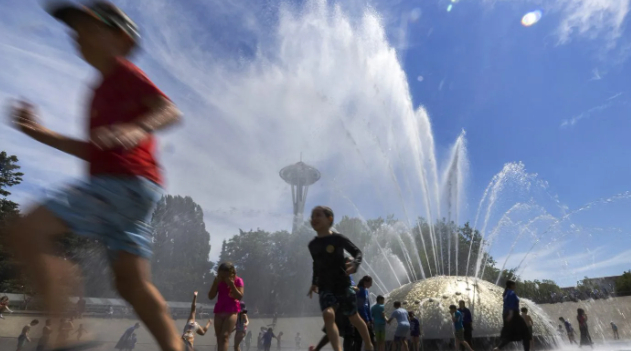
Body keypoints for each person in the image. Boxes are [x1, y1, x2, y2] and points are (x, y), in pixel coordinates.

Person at [7, 2, 183, 350]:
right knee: (131, 285)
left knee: (24, 231)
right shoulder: (97, 93)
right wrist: (38, 132)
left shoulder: (124, 72)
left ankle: (67, 333)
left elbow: (169, 110)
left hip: (122, 184)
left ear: (121, 38)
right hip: (136, 191)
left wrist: (136, 128)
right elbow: (91, 151)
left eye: (89, 28)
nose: (77, 36)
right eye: (74, 30)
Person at [307, 206, 374, 351]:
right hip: (325, 286)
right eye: (312, 216)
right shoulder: (312, 245)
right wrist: (314, 283)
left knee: (353, 317)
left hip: (342, 285)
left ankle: (369, 344)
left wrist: (355, 264)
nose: (314, 219)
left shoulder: (338, 239)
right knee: (328, 314)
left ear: (329, 219)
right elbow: (316, 264)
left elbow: (357, 252)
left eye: (318, 215)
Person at [209, 262, 245, 351]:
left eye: (227, 273)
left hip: (231, 310)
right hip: (219, 309)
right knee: (219, 338)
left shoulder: (238, 280)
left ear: (232, 272)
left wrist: (232, 285)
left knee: (224, 336)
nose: (224, 275)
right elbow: (211, 296)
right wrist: (215, 284)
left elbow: (239, 296)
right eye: (222, 272)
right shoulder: (218, 281)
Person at [493, 280, 531, 351]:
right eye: (514, 285)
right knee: (526, 334)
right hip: (513, 315)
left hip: (507, 314)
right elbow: (511, 304)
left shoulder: (506, 293)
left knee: (509, 335)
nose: (515, 286)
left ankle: (497, 348)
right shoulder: (511, 293)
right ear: (511, 285)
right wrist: (511, 314)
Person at [354, 276, 374, 351]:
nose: (371, 285)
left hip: (366, 318)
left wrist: (370, 318)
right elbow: (361, 306)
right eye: (370, 283)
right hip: (361, 318)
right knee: (364, 338)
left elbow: (368, 306)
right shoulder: (360, 290)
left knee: (368, 338)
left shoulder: (366, 291)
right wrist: (366, 319)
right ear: (365, 282)